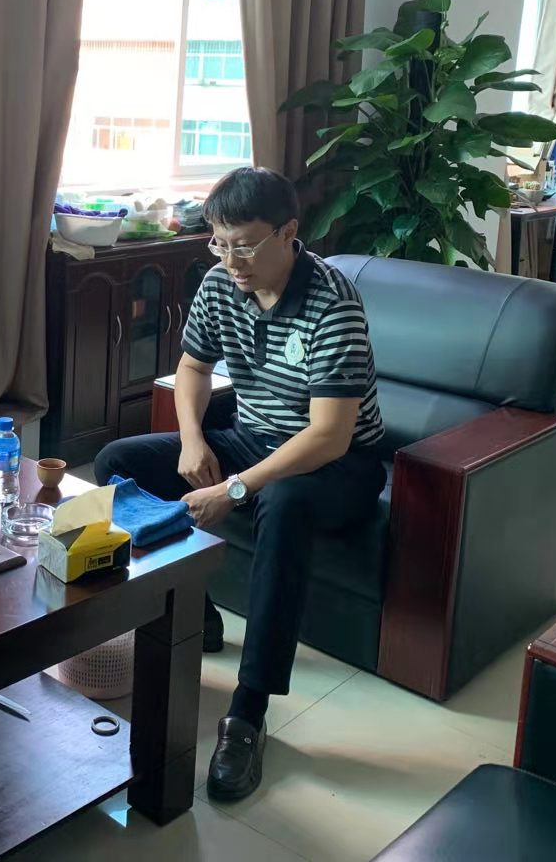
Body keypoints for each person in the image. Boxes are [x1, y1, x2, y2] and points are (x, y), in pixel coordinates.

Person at [94, 167, 385, 802]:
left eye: (246, 245)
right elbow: (193, 368)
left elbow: (330, 435)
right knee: (120, 460)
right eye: (219, 244)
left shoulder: (332, 302)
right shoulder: (221, 284)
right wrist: (192, 439)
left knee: (282, 500)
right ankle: (192, 610)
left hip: (339, 466)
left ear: (289, 231)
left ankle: (248, 713)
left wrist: (234, 489)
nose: (231, 261)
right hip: (253, 437)